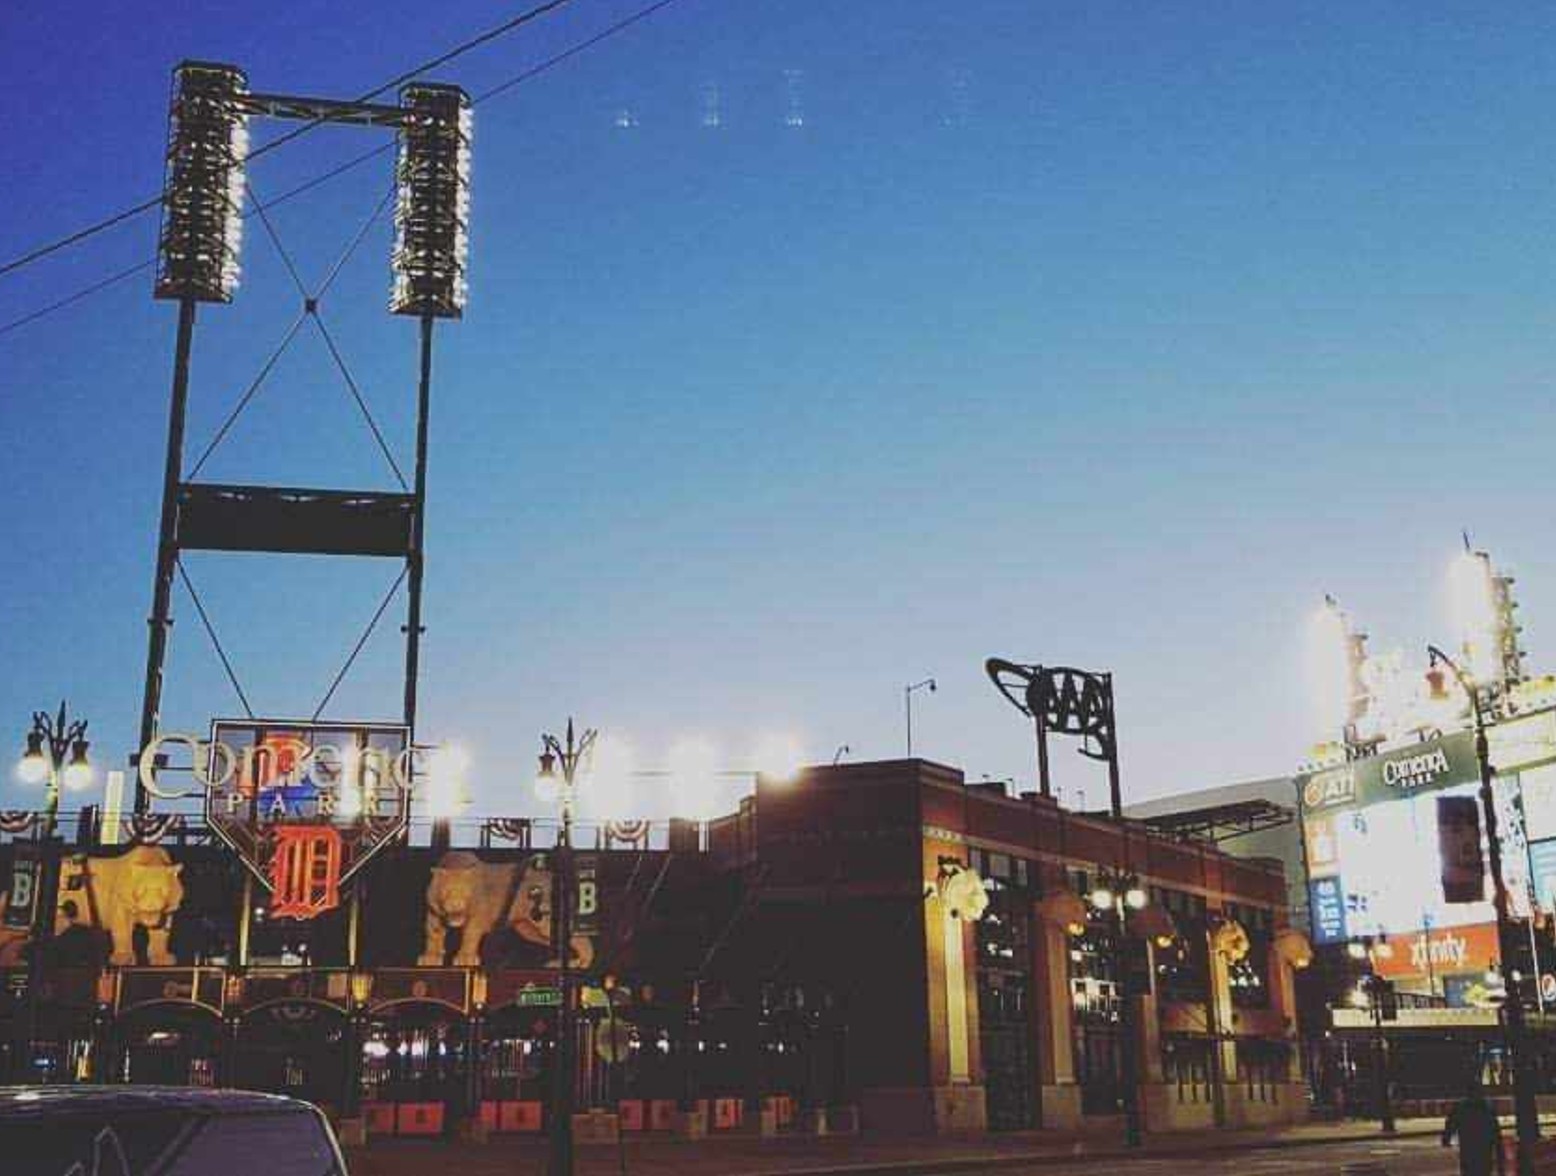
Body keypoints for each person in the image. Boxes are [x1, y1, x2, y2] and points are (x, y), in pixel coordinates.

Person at [1443, 1077, 1506, 1176]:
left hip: (1468, 1149)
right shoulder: (1487, 1107)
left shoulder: (1461, 1107)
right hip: (1484, 1151)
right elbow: (1496, 1132)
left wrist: (1446, 1139)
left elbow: (1451, 1124)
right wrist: (1500, 1156)